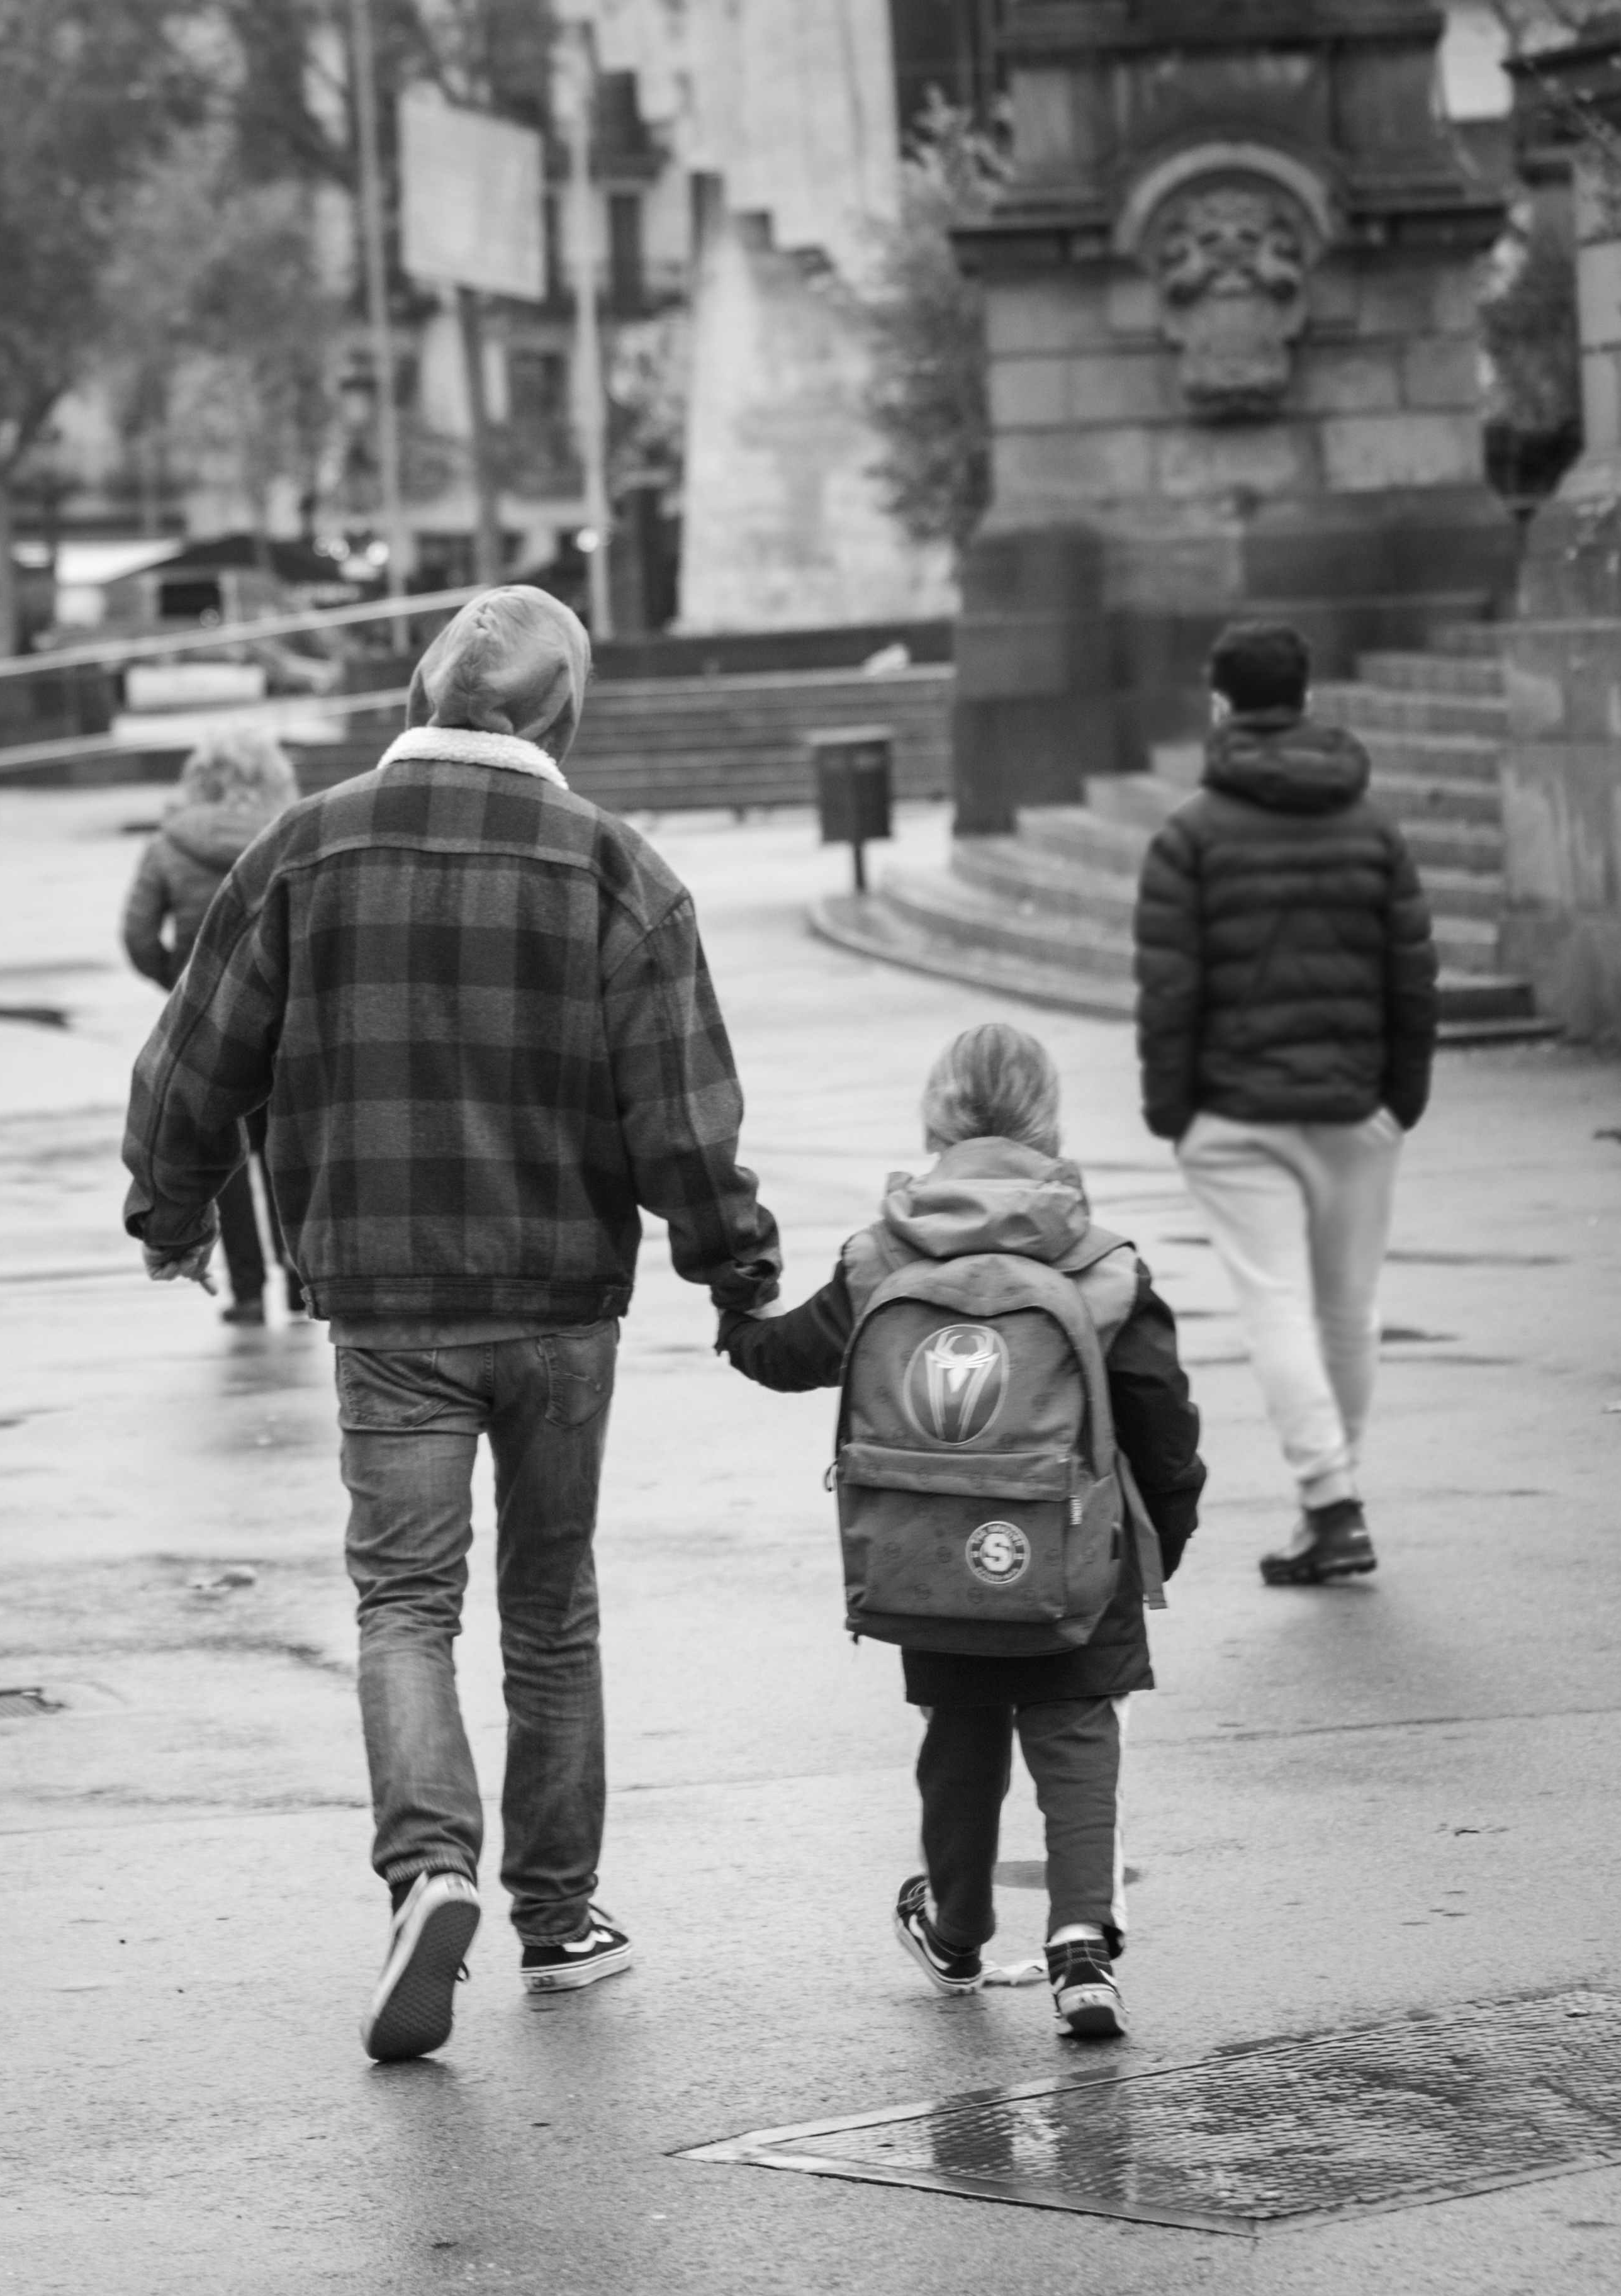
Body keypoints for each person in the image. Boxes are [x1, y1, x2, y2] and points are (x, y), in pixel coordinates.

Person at [123, 586, 782, 2064]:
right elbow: (684, 1121)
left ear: (416, 696)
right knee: (549, 1606)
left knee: (403, 1604)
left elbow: (190, 1058)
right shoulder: (617, 871)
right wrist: (732, 1270)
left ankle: (429, 1871)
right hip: (558, 1304)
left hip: (387, 1298)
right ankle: (556, 1918)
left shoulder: (307, 845)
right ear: (565, 716)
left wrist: (171, 1216)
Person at [718, 1024, 1202, 2039]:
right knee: (1076, 1735)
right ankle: (1081, 1941)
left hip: (929, 1550)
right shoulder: (1103, 1265)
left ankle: (958, 1929)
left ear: (937, 1121)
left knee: (961, 1741)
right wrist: (1167, 1532)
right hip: (1075, 1546)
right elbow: (1160, 1416)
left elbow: (783, 1354)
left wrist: (738, 1299)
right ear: (1049, 1124)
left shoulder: (879, 1255)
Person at [1133, 620, 1437, 1588]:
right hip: (1357, 1112)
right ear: (1306, 698)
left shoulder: (1189, 834)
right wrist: (1402, 1099)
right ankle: (1330, 1501)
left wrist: (1173, 1114)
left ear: (1219, 704)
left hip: (1234, 1113)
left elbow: (1169, 989)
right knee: (1349, 1309)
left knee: (1277, 1304)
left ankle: (1331, 1501)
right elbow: (1414, 975)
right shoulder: (1374, 827)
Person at [120, 726, 303, 1325]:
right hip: (284, 1022)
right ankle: (301, 1286)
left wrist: (176, 983)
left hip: (206, 1023)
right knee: (285, 1150)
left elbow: (139, 934)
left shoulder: (170, 845)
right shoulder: (289, 838)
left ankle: (246, 1291)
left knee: (220, 1151)